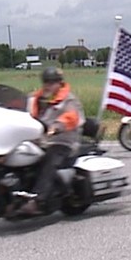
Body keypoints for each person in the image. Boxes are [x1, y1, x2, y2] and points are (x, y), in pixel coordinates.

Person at [18, 67, 84, 216]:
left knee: (49, 160)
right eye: (46, 81)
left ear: (60, 83)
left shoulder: (69, 100)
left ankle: (37, 201)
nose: (48, 85)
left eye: (52, 82)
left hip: (63, 141)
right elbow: (20, 111)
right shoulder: (35, 99)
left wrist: (57, 126)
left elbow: (72, 117)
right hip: (39, 141)